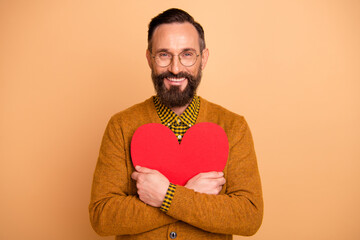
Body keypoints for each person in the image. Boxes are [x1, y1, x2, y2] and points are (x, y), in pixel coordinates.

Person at [89, 8, 263, 240]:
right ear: (150, 59)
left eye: (187, 54)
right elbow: (102, 216)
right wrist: (189, 195)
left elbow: (249, 216)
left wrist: (167, 196)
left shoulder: (234, 127)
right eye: (164, 54)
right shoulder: (121, 126)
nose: (176, 68)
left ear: (204, 59)